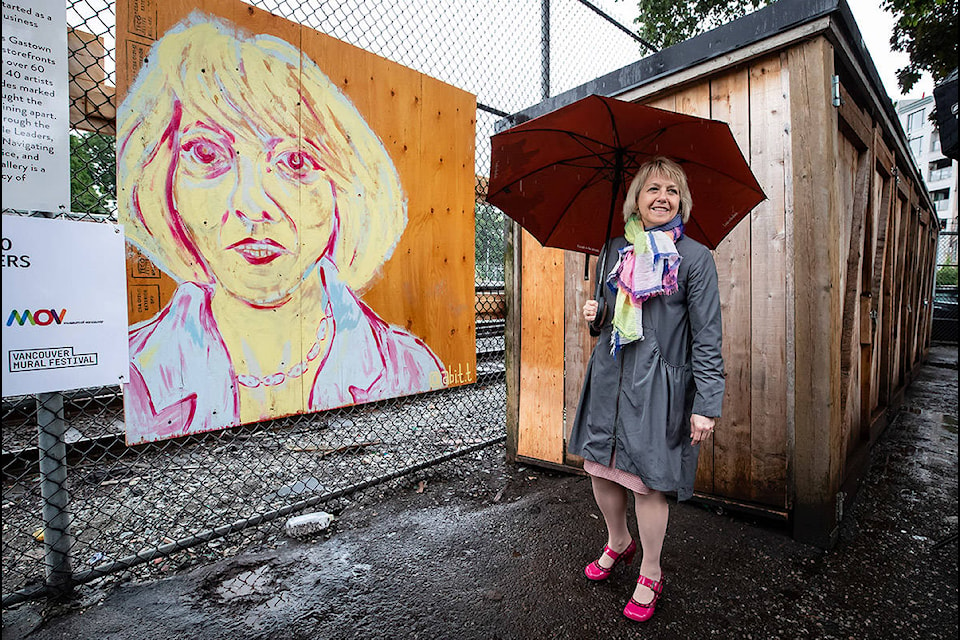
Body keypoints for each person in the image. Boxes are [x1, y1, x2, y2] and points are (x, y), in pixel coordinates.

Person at [117, 15, 444, 445]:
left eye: (295, 162)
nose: (252, 207)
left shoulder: (409, 365)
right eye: (205, 152)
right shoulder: (139, 371)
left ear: (343, 193)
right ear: (163, 178)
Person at [568, 156, 724, 622]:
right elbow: (609, 323)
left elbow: (708, 336)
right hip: (610, 378)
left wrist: (706, 404)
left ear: (683, 202)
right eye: (652, 188)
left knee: (647, 483)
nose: (662, 198)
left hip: (658, 387)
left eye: (672, 191)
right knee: (600, 468)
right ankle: (618, 540)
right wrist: (595, 316)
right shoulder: (616, 249)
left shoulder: (694, 258)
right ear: (636, 198)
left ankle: (651, 570)